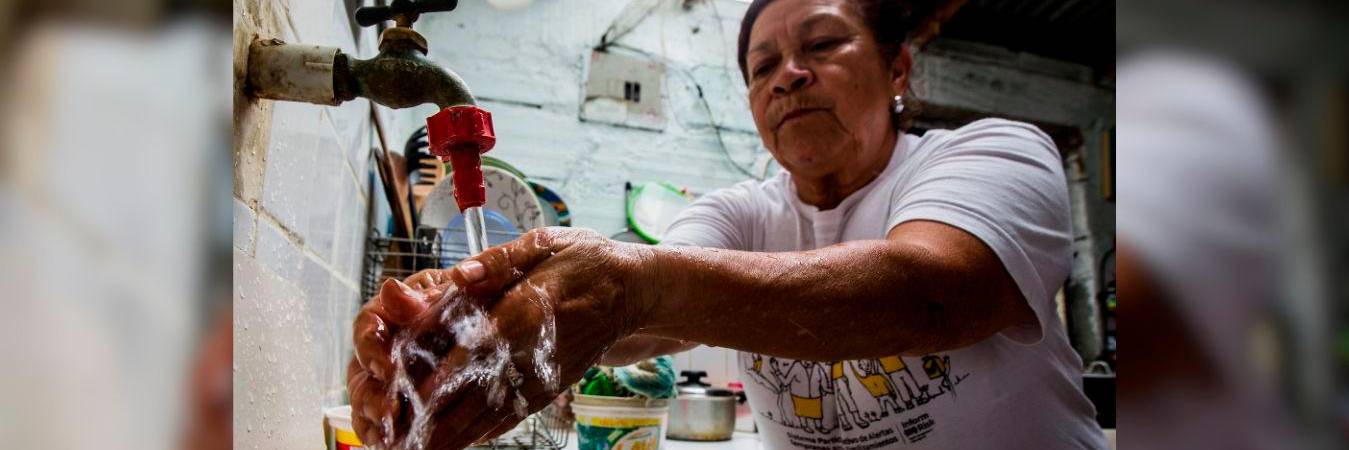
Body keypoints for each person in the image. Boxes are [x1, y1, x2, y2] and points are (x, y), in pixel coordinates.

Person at [348, 0, 1107, 448]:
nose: (788, 75)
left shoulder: (996, 153)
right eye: (762, 65)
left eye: (821, 43)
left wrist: (623, 290)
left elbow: (935, 293)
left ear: (897, 67)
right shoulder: (741, 211)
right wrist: (454, 324)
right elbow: (639, 321)